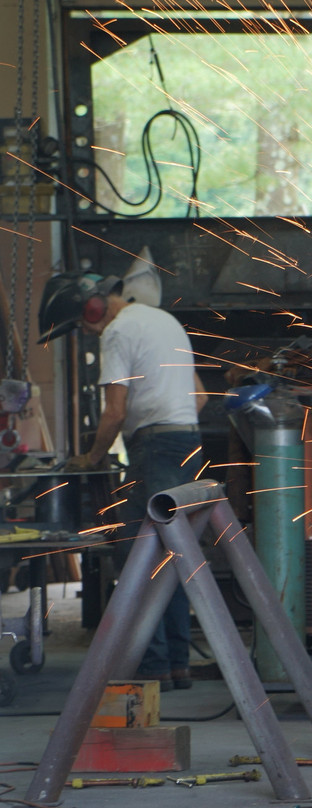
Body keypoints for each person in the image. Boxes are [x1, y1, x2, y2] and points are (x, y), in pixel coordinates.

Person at [38, 273, 207, 691]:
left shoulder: (116, 331)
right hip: (188, 444)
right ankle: (177, 664)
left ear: (91, 308)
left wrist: (90, 458)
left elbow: (113, 412)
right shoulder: (164, 320)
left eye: (80, 323)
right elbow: (200, 397)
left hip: (155, 449)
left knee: (139, 556)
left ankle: (152, 667)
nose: (84, 330)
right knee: (175, 554)